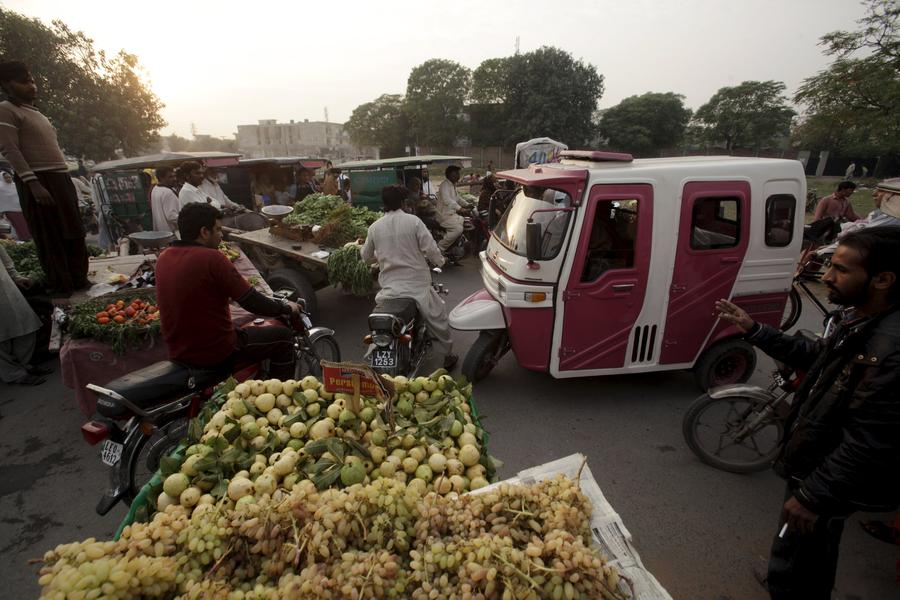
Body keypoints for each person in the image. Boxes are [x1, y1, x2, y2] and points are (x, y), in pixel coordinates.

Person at [715, 226, 900, 600]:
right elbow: (817, 359)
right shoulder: (859, 318)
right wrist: (755, 330)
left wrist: (816, 494)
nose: (827, 276)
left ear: (882, 279)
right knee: (804, 545)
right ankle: (785, 580)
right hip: (817, 464)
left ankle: (789, 587)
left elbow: (868, 443)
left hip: (828, 475)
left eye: (841, 269)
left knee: (805, 543)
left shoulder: (890, 351)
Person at [155, 203, 302, 379]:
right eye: (218, 230)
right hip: (215, 350)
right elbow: (251, 301)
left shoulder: (164, 257)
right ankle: (276, 393)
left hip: (178, 351)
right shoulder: (212, 258)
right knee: (284, 337)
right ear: (204, 232)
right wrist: (286, 308)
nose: (221, 235)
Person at [0, 61, 89, 296]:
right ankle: (61, 285)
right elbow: (11, 150)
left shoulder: (36, 113)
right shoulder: (6, 110)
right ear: (7, 84)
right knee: (50, 236)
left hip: (60, 177)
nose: (32, 86)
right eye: (24, 82)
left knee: (74, 231)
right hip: (39, 179)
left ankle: (79, 279)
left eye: (32, 81)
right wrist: (34, 184)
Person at [361, 185, 457, 370]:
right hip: (417, 285)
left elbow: (366, 257)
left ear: (383, 203)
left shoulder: (375, 227)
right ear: (403, 202)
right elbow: (430, 248)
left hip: (390, 289)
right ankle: (448, 354)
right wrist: (440, 261)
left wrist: (380, 256)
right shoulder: (414, 222)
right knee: (438, 317)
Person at [0, 243, 51, 385]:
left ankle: (23, 364)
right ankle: (14, 374)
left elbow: (4, 258)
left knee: (27, 326)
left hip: (6, 288)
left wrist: (16, 276)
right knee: (1, 340)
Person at [435, 165, 464, 253]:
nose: (458, 176)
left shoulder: (452, 185)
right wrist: (460, 208)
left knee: (466, 221)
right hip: (444, 216)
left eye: (458, 173)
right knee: (458, 229)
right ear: (451, 175)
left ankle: (456, 244)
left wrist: (468, 204)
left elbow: (458, 198)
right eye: (456, 173)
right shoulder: (445, 185)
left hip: (451, 214)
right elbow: (447, 200)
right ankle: (439, 248)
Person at [150, 166, 180, 234]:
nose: (174, 179)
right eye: (170, 177)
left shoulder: (155, 189)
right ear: (161, 178)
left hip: (161, 233)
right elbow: (172, 216)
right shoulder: (167, 192)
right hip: (171, 233)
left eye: (174, 176)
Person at [0, 169, 29, 240]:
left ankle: (29, 238)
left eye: (9, 177)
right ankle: (24, 239)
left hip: (22, 209)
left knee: (26, 224)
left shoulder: (15, 186)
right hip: (10, 211)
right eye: (6, 178)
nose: (8, 179)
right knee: (19, 225)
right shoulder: (1, 189)